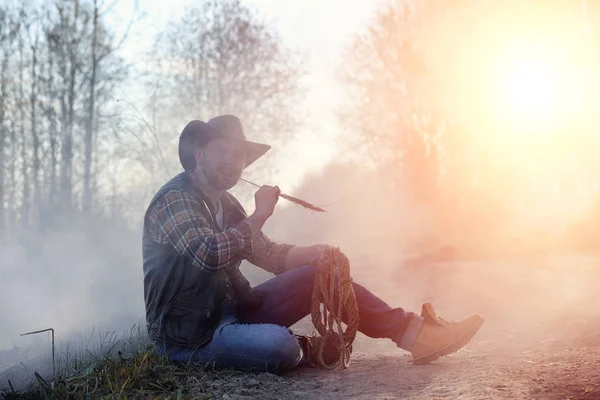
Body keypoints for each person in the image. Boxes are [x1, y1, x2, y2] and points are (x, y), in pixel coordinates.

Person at [142, 115, 483, 373]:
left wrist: (318, 255)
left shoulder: (227, 204)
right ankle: (309, 348)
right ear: (199, 153)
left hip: (234, 310)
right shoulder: (175, 200)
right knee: (279, 347)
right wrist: (260, 214)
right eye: (223, 151)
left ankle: (416, 334)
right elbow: (208, 255)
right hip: (189, 336)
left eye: (239, 155)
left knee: (320, 273)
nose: (232, 162)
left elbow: (268, 254)